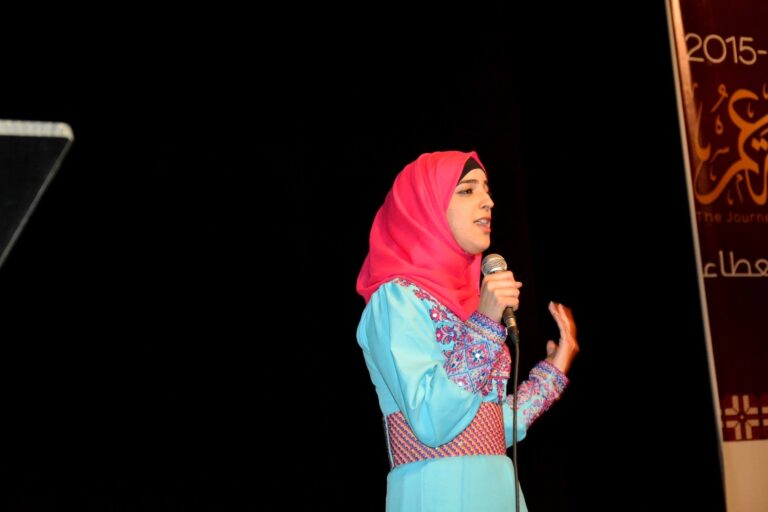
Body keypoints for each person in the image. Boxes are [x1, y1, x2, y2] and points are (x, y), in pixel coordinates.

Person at [355, 150, 580, 512]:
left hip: (498, 491)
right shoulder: (395, 299)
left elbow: (490, 427)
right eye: (467, 190)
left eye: (487, 189)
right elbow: (431, 421)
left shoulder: (469, 305)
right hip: (436, 493)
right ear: (425, 208)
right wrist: (486, 324)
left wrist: (554, 371)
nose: (488, 201)